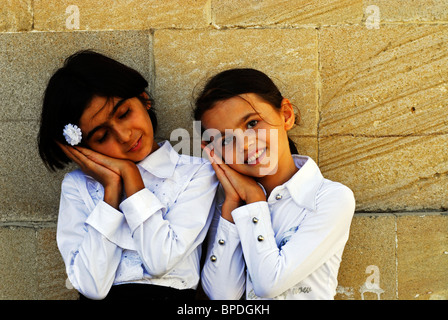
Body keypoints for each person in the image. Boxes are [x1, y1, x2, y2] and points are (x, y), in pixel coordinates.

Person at [37, 50, 218, 300]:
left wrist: (131, 177)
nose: (123, 136)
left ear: (144, 99)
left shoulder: (196, 173)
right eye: (101, 137)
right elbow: (91, 287)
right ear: (83, 148)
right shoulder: (77, 186)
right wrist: (111, 191)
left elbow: (160, 261)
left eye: (124, 114)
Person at [194, 68, 355, 300]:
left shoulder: (330, 198)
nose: (245, 145)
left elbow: (269, 284)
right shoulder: (226, 202)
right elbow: (223, 296)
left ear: (286, 115)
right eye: (226, 139)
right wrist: (231, 207)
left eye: (251, 123)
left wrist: (255, 200)